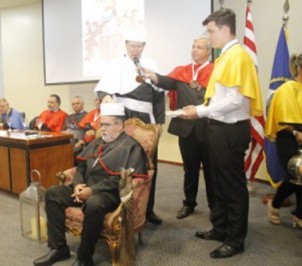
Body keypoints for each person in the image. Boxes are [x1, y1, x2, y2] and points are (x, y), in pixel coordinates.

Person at [181, 9, 263, 258]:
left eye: (211, 31)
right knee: (217, 182)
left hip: (230, 130)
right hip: (217, 128)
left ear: (225, 29)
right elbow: (219, 98)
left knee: (232, 187)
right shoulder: (226, 56)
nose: (209, 36)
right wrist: (199, 109)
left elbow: (234, 102)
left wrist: (200, 112)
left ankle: (235, 240)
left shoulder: (236, 56)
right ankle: (220, 229)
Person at [33, 103, 149, 266]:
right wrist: (78, 184)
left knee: (94, 204)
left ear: (120, 125)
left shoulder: (131, 147)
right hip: (84, 186)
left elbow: (123, 179)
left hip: (109, 193)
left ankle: (84, 257)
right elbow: (81, 165)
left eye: (107, 125)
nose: (102, 129)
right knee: (52, 193)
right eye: (101, 124)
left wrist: (92, 190)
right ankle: (58, 248)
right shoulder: (97, 142)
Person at [94, 29, 165, 225]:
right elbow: (102, 88)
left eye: (139, 46)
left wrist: (159, 123)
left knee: (150, 164)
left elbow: (159, 96)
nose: (135, 49)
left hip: (147, 120)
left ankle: (148, 209)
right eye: (132, 45)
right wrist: (104, 96)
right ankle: (121, 209)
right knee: (125, 162)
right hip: (125, 117)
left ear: (144, 47)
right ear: (126, 45)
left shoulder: (151, 64)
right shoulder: (116, 64)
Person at [143, 36, 215, 219]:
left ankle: (216, 207)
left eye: (199, 47)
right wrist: (151, 75)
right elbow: (166, 81)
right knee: (189, 170)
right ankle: (189, 204)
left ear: (208, 51)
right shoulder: (183, 72)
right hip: (186, 130)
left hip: (209, 129)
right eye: (193, 47)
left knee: (211, 172)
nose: (195, 50)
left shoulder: (217, 71)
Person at [265, 53, 302, 228]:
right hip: (288, 136)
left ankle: (299, 214)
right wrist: (296, 132)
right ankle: (275, 203)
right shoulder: (287, 89)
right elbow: (284, 118)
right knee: (296, 174)